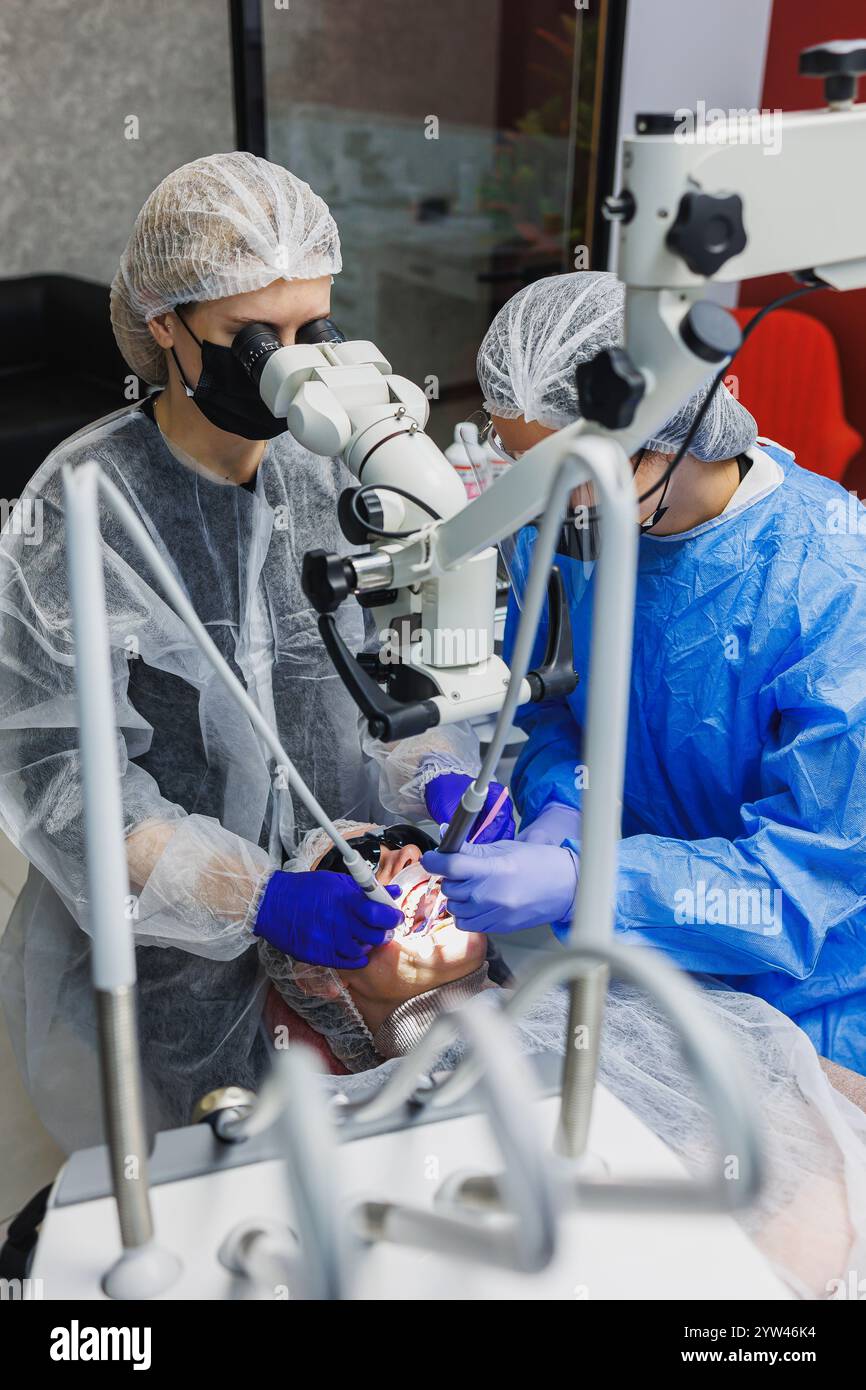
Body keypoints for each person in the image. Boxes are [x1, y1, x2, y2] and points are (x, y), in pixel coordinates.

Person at [0, 152, 512, 1152]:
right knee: (229, 1169)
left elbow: (381, 681)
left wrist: (442, 778)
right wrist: (255, 897)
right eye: (253, 338)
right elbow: (67, 786)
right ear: (165, 322)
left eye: (313, 330)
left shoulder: (331, 475)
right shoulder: (82, 506)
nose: (291, 364)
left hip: (340, 886)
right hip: (168, 943)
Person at [424, 270, 866, 1076]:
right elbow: (554, 710)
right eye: (526, 471)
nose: (555, 507)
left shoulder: (833, 585)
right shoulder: (555, 538)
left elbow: (806, 882)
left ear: (667, 422)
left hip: (811, 1000)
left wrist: (585, 882)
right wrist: (566, 799)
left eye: (571, 470)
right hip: (634, 962)